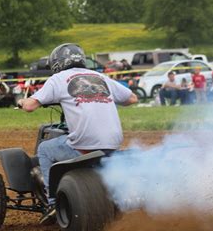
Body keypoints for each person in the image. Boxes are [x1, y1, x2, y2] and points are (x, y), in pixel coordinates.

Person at [18, 43, 138, 205]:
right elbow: (132, 98)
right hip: (112, 145)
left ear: (57, 62)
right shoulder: (100, 77)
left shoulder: (58, 79)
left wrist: (22, 102)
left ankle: (52, 201)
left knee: (44, 149)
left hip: (84, 146)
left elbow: (30, 106)